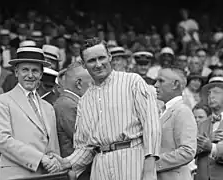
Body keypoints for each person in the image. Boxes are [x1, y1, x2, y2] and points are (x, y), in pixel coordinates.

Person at [51, 38, 161, 180]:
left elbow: (152, 126)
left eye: (101, 58)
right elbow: (85, 148)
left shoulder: (133, 82)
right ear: (84, 65)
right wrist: (66, 162)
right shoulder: (85, 100)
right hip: (100, 165)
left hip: (132, 158)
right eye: (91, 61)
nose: (98, 64)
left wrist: (149, 169)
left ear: (109, 57)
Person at [0, 47, 61, 180]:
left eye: (35, 70)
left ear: (41, 74)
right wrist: (40, 159)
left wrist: (55, 164)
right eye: (25, 70)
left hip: (46, 175)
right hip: (16, 175)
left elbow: (53, 146)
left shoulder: (48, 107)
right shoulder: (3, 101)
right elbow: (3, 141)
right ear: (16, 72)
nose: (30, 75)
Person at [154, 67, 197, 180]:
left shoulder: (182, 111)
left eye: (161, 81)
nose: (156, 85)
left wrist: (152, 164)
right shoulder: (161, 110)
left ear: (175, 84)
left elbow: (188, 151)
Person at [54, 62, 92, 180]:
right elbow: (85, 140)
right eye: (91, 83)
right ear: (79, 84)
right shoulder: (67, 106)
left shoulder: (71, 103)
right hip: (76, 173)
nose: (94, 87)